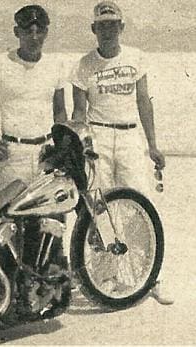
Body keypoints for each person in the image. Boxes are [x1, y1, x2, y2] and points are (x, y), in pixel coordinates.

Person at [71, 1, 173, 305]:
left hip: (129, 136)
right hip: (98, 135)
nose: (107, 30)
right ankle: (105, 278)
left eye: (113, 24)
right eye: (102, 25)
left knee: (140, 205)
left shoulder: (136, 58)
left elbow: (144, 102)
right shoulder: (83, 65)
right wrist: (83, 146)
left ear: (122, 27)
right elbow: (79, 111)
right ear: (93, 29)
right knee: (100, 209)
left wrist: (153, 145)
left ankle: (151, 277)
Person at [0, 5, 67, 267]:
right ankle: (10, 295)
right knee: (10, 228)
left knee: (51, 227)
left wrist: (62, 150)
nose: (34, 35)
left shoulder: (55, 66)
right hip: (13, 157)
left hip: (46, 156)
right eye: (27, 30)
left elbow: (60, 112)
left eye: (39, 29)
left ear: (46, 32)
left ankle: (46, 292)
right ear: (16, 31)